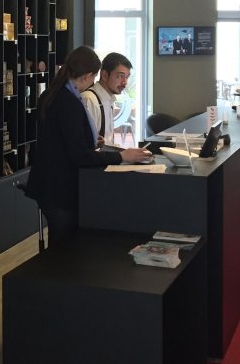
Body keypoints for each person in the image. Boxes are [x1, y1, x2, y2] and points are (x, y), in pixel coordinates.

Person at [25, 46, 152, 245]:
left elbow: (61, 139)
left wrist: (89, 140)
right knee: (64, 250)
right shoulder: (69, 102)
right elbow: (79, 155)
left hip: (50, 184)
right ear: (87, 76)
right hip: (61, 188)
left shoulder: (52, 94)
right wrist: (122, 156)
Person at [82, 52, 132, 146]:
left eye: (126, 77)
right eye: (120, 76)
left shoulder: (109, 100)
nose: (124, 82)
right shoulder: (89, 99)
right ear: (104, 75)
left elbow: (107, 141)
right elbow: (86, 145)